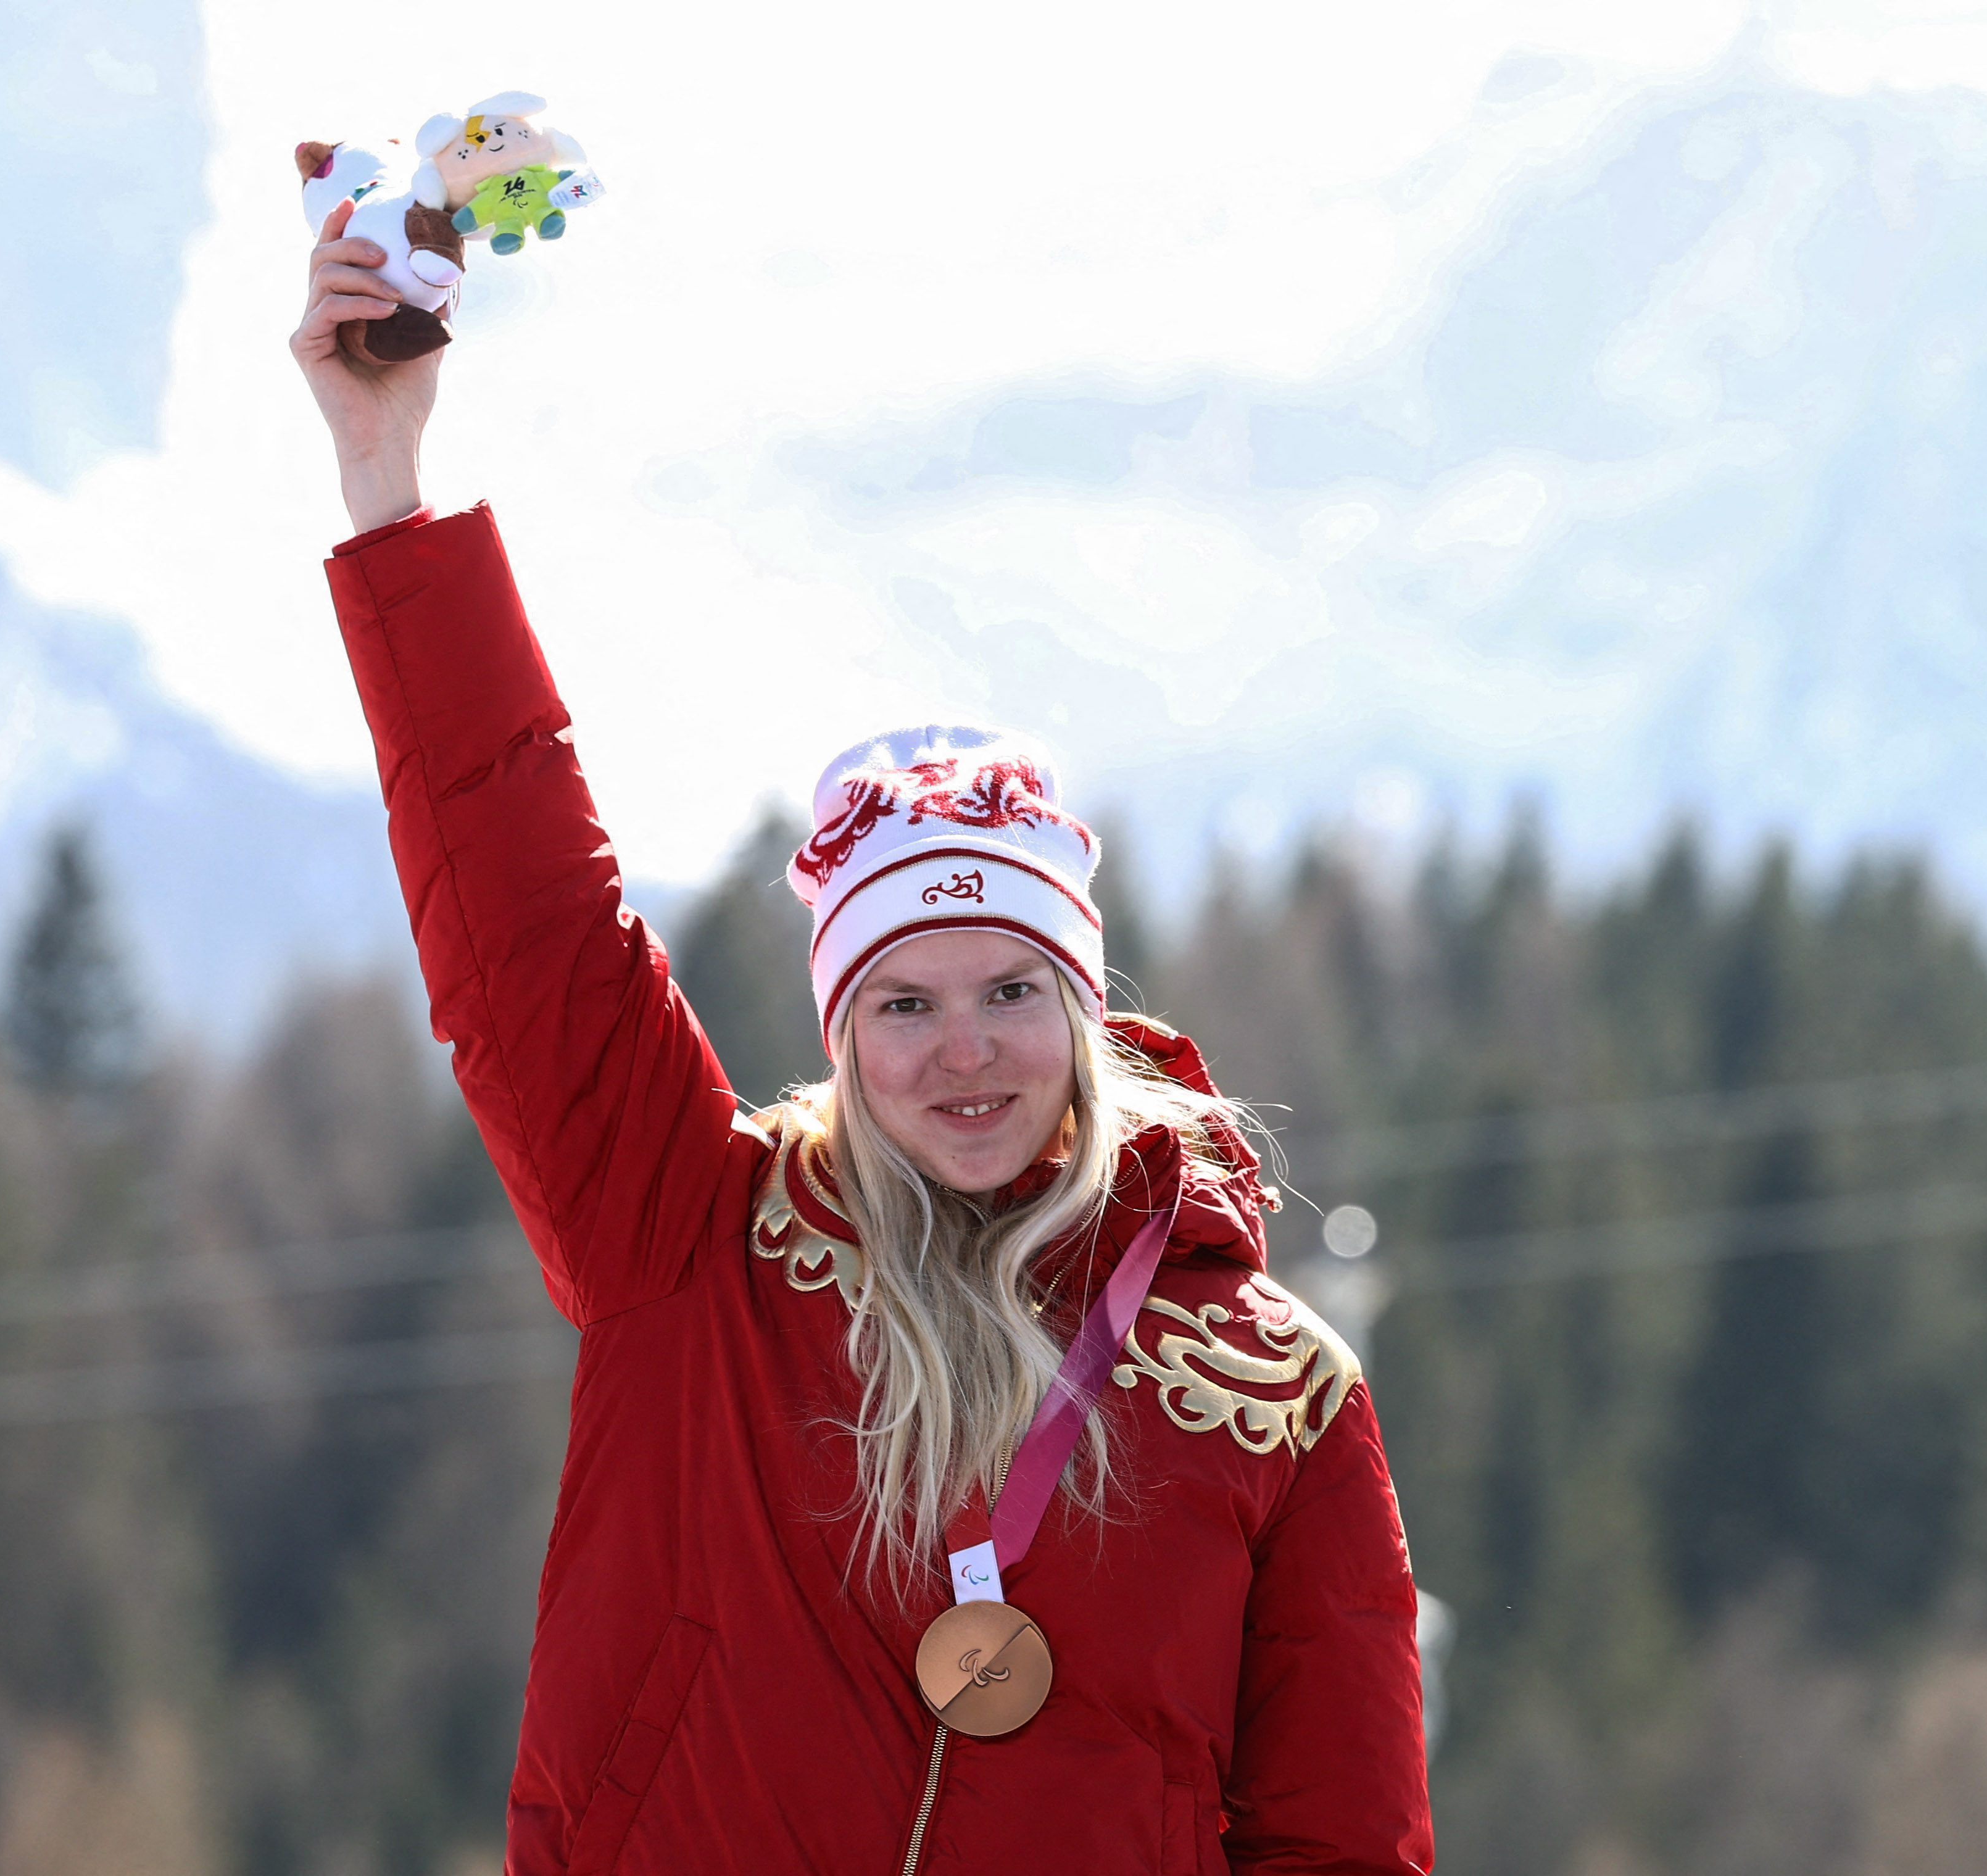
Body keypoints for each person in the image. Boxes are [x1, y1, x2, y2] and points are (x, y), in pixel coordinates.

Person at [292, 201, 1432, 1876]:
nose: (963, 1053)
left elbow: (1344, 1842)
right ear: (837, 1027)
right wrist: (390, 486)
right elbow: (528, 929)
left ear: (1084, 1010)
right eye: (903, 1003)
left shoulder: (1268, 1393)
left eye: (1011, 993)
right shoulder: (692, 1234)